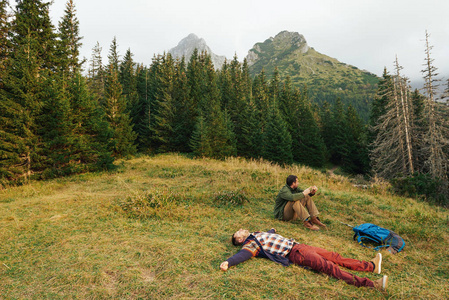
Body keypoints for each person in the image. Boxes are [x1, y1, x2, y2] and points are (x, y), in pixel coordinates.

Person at [220, 228, 388, 291]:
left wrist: (271, 230)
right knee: (330, 267)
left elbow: (270, 234)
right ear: (240, 240)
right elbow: (241, 255)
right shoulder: (250, 245)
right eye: (238, 233)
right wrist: (229, 262)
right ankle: (371, 284)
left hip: (301, 246)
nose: (240, 229)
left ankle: (371, 266)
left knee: (335, 256)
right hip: (296, 253)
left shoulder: (255, 234)